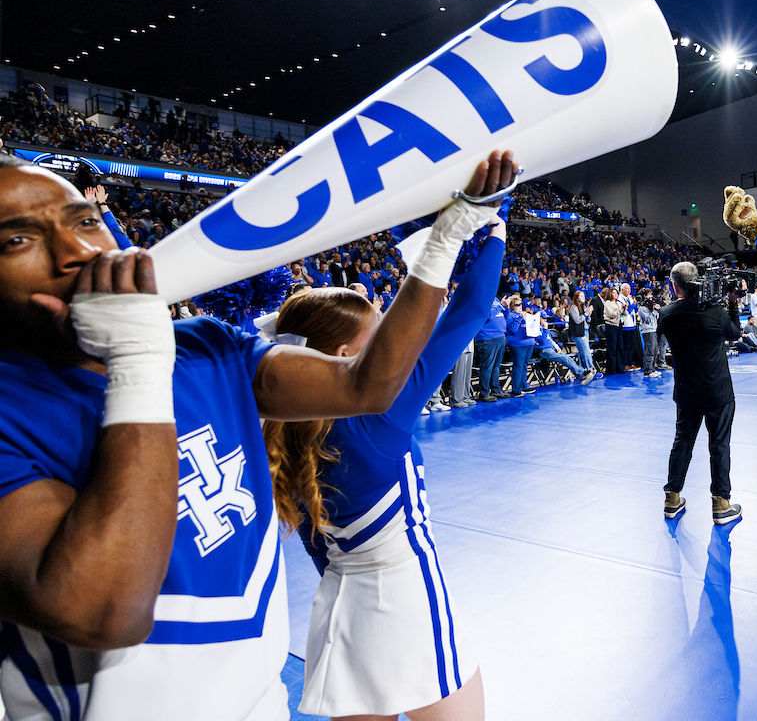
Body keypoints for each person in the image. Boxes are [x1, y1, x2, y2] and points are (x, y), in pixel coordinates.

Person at [0, 150, 511, 719]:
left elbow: (365, 382)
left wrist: (446, 240)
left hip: (273, 686)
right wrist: (138, 361)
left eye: (86, 219)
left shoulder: (211, 349)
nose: (77, 251)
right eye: (16, 240)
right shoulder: (20, 410)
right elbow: (103, 613)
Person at [267, 219, 507, 721]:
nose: (390, 343)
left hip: (338, 607)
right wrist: (496, 231)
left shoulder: (277, 431)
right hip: (408, 605)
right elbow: (468, 312)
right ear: (344, 355)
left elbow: (317, 548)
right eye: (376, 335)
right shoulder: (381, 412)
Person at [658, 262, 742, 525]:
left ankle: (672, 498)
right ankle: (721, 503)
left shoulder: (665, 314)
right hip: (717, 391)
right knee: (719, 446)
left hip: (686, 391)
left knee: (682, 442)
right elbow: (734, 334)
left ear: (674, 286)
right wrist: (733, 304)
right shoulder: (715, 312)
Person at [474, 296, 510, 401]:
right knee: (487, 366)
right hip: (487, 337)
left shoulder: (496, 299)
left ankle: (496, 390)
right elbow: (487, 316)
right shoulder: (481, 299)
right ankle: (484, 393)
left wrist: (506, 308)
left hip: (500, 336)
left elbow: (505, 317)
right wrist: (500, 305)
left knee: (496, 366)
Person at [638, 290, 662, 377]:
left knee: (655, 350)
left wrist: (655, 310)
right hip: (647, 331)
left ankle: (652, 369)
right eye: (649, 295)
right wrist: (654, 310)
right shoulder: (642, 308)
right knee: (650, 351)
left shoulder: (650, 307)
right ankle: (647, 371)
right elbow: (648, 320)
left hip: (653, 330)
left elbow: (656, 317)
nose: (651, 297)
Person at [602, 287, 624, 375]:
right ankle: (611, 369)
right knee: (612, 347)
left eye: (616, 293)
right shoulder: (608, 303)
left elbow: (624, 313)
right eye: (614, 293)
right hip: (611, 326)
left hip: (619, 325)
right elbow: (612, 314)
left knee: (620, 347)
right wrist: (621, 309)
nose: (615, 295)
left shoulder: (618, 303)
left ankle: (620, 367)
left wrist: (624, 308)